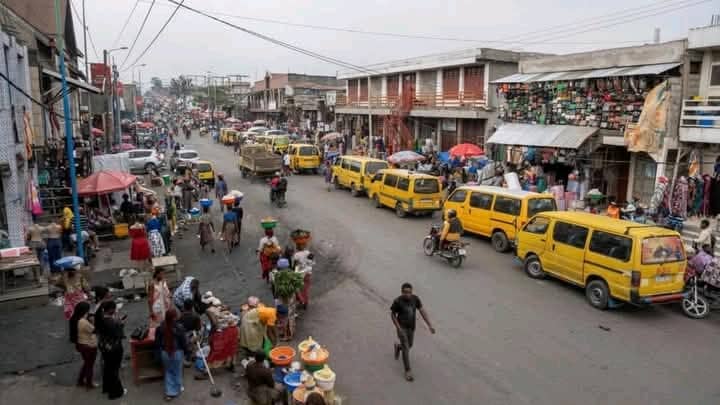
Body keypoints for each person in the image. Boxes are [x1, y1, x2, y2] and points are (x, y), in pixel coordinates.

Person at [391, 283, 435, 382]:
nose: (407, 294)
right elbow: (393, 315)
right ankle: (408, 371)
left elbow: (422, 311)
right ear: (402, 292)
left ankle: (398, 347)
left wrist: (430, 325)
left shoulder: (415, 299)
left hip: (411, 328)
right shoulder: (397, 301)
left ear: (412, 292)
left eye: (409, 292)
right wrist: (398, 328)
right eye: (405, 292)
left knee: (410, 345)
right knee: (406, 348)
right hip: (402, 328)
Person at [155, 309, 189, 401]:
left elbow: (157, 343)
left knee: (168, 371)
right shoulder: (179, 328)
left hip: (164, 353)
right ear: (175, 317)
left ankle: (170, 392)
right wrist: (187, 353)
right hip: (177, 353)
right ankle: (177, 388)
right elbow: (184, 342)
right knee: (177, 371)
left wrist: (157, 354)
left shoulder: (160, 327)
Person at [96, 300, 127, 399]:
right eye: (115, 308)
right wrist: (121, 324)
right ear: (111, 310)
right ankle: (116, 392)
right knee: (114, 370)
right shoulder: (110, 322)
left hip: (104, 347)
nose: (116, 310)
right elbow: (118, 335)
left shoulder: (100, 319)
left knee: (108, 368)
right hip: (114, 348)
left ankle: (107, 388)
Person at [69, 301, 98, 389]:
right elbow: (94, 330)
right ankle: (89, 383)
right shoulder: (83, 322)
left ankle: (80, 380)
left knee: (86, 364)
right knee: (89, 366)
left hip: (81, 344)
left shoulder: (74, 319)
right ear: (85, 311)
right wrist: (93, 321)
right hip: (88, 345)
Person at [178, 299, 202, 364]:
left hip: (183, 335)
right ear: (192, 307)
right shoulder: (196, 316)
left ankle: (189, 355)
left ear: (184, 306)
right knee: (197, 337)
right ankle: (193, 354)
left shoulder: (181, 316)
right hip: (191, 335)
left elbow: (178, 326)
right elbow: (198, 329)